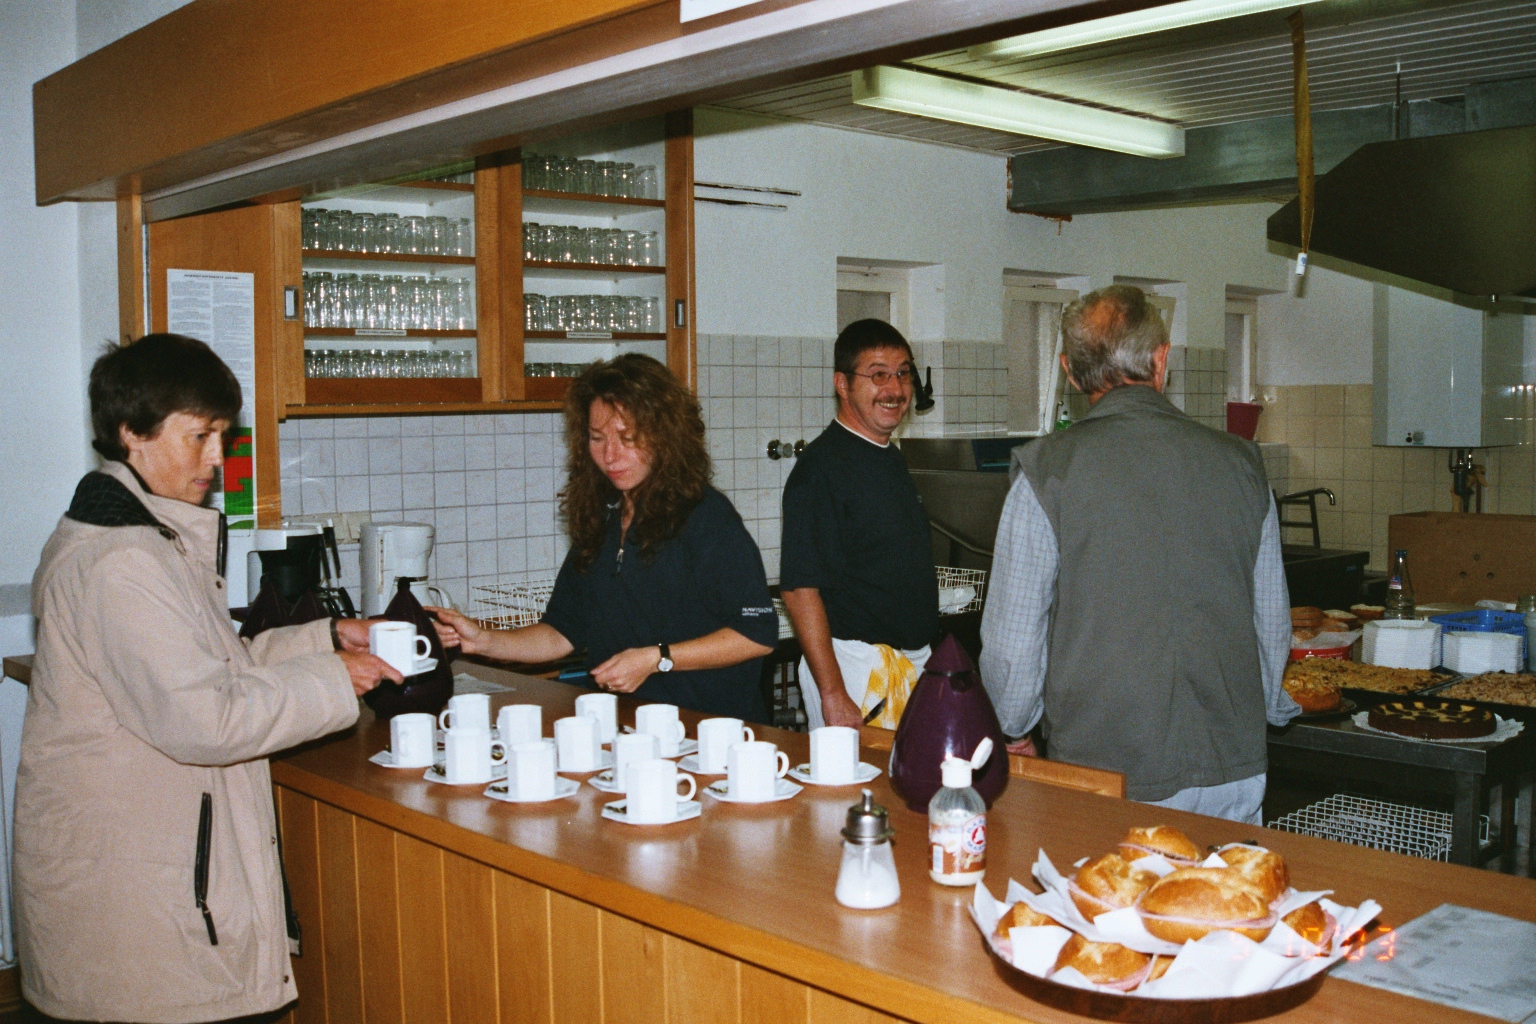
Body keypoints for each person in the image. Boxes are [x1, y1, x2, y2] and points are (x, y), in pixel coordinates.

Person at [15, 334, 400, 1024]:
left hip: (142, 872)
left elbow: (211, 667)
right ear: (132, 433)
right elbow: (206, 720)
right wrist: (333, 679)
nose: (218, 459)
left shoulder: (145, 535)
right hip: (137, 902)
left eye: (222, 435)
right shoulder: (121, 562)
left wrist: (324, 638)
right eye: (200, 436)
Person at [979, 286, 1299, 824]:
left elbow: (1014, 642)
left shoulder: (1046, 473)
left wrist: (1013, 727)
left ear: (1070, 372)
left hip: (1107, 769)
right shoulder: (1243, 465)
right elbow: (1271, 623)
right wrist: (1260, 711)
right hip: (1233, 766)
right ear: (1161, 360)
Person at [431, 354, 777, 721]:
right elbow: (561, 632)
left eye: (628, 439)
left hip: (704, 728)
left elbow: (757, 634)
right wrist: (484, 640)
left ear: (665, 437)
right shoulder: (602, 514)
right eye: (597, 438)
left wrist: (657, 658)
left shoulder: (706, 517)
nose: (610, 455)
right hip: (621, 724)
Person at [779, 319, 939, 731]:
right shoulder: (821, 470)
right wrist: (833, 693)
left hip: (904, 664)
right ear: (842, 384)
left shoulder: (888, 456)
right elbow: (799, 590)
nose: (895, 389)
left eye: (903, 373)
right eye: (878, 375)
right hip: (856, 670)